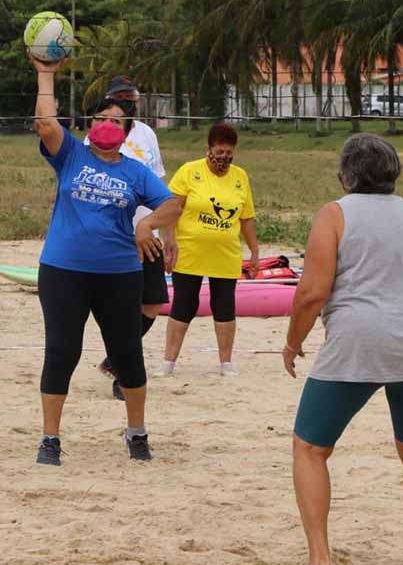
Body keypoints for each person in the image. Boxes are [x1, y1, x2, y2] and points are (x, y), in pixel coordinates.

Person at [283, 133, 403, 565]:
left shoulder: (335, 214)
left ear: (345, 176)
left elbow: (311, 293)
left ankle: (320, 555)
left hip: (358, 339)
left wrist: (293, 342)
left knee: (311, 448)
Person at [30, 54, 180, 466]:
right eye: (100, 118)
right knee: (62, 352)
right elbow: (46, 122)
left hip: (118, 274)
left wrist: (146, 226)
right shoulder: (71, 155)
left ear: (128, 130)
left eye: (116, 121)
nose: (106, 125)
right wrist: (45, 74)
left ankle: (136, 432)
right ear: (89, 124)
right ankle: (50, 439)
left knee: (127, 353)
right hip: (63, 271)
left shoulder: (135, 172)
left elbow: (173, 204)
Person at [157, 122, 258, 377]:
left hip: (225, 254)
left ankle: (226, 362)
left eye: (228, 152)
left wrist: (254, 251)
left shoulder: (240, 177)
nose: (223, 157)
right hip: (189, 252)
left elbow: (246, 218)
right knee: (184, 304)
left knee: (224, 305)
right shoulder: (190, 172)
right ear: (208, 149)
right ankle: (168, 362)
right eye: (219, 151)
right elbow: (171, 210)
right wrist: (168, 241)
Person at [93, 76, 169, 401]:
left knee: (153, 302)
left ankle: (115, 359)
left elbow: (162, 187)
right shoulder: (98, 135)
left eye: (131, 97)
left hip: (148, 233)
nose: (127, 102)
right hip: (117, 238)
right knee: (121, 309)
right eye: (120, 97)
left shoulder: (147, 134)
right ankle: (123, 374)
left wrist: (168, 233)